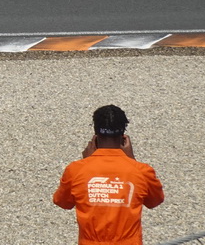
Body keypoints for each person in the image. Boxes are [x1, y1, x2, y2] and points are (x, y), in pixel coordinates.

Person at [53, 105, 165, 245]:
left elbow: (62, 202)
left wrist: (85, 162)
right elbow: (155, 200)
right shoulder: (141, 171)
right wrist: (132, 161)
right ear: (123, 136)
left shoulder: (76, 170)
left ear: (95, 136)